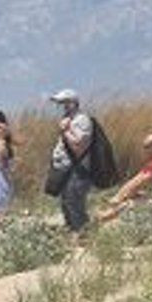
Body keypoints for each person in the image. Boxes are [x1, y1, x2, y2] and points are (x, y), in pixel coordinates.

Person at [98, 132, 152, 222]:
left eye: (147, 146)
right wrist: (119, 196)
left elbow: (142, 181)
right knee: (128, 202)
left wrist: (119, 199)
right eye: (145, 146)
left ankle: (103, 218)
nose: (145, 150)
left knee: (126, 206)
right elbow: (135, 181)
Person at [47, 88, 96, 232]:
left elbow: (79, 146)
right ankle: (73, 232)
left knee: (75, 203)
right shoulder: (70, 119)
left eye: (64, 103)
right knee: (66, 202)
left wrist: (65, 130)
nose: (62, 107)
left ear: (73, 103)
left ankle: (83, 236)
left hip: (77, 169)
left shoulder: (82, 120)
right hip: (66, 168)